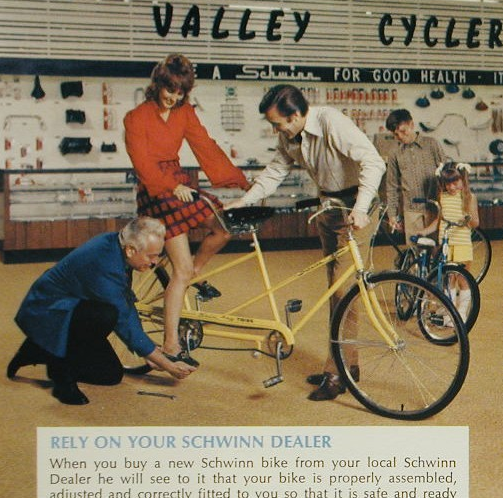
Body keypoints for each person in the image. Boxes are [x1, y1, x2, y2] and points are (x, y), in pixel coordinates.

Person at [224, 84, 385, 401]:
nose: (276, 130)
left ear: (296, 114)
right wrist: (244, 201)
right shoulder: (289, 135)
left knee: (343, 290)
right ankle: (347, 365)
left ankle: (336, 373)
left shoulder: (330, 122)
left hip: (357, 209)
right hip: (329, 208)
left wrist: (361, 208)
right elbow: (275, 172)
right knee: (335, 290)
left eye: (278, 123)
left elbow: (373, 161)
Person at [124, 54, 249, 367]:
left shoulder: (184, 112)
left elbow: (206, 147)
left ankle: (194, 273)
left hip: (179, 183)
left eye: (180, 92)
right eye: (170, 89)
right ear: (159, 84)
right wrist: (169, 187)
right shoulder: (136, 117)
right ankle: (170, 343)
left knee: (222, 225)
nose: (174, 97)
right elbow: (142, 165)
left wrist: (242, 181)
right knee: (178, 271)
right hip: (155, 192)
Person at [6, 217, 197, 405]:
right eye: (151, 256)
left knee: (110, 375)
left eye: (158, 255)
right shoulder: (104, 262)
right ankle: (60, 374)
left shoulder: (119, 246)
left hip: (75, 306)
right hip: (48, 311)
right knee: (106, 315)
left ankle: (37, 349)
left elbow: (126, 303)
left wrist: (149, 352)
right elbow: (123, 319)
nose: (155, 262)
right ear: (131, 250)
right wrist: (166, 364)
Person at [417, 161, 479, 322]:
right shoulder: (442, 197)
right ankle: (450, 314)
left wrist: (467, 219)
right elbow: (439, 220)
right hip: (445, 243)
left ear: (462, 180)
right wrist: (424, 231)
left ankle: (462, 313)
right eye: (448, 183)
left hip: (462, 243)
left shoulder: (469, 197)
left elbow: (475, 223)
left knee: (463, 279)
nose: (451, 187)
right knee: (449, 278)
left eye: (455, 182)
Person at [385, 108, 448, 241]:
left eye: (403, 131)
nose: (401, 137)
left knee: (437, 249)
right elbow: (392, 187)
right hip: (411, 211)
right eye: (396, 134)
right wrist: (392, 215)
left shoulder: (432, 144)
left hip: (435, 208)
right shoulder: (394, 153)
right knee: (414, 252)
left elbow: (446, 174)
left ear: (411, 125)